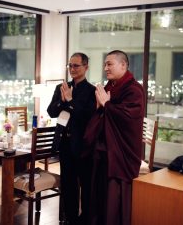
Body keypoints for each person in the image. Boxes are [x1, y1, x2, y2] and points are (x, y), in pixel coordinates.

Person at [83, 50, 145, 225]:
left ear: (123, 65)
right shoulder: (109, 86)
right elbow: (101, 113)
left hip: (120, 153)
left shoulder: (134, 89)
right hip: (103, 150)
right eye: (105, 64)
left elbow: (128, 117)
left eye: (109, 64)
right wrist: (100, 107)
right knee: (99, 196)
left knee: (114, 200)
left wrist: (107, 105)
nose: (105, 68)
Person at [47, 52, 96, 225]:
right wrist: (62, 100)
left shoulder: (92, 91)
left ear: (86, 67)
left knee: (85, 185)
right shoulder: (62, 87)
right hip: (65, 143)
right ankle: (70, 219)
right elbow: (51, 111)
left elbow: (87, 117)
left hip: (83, 145)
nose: (72, 69)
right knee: (68, 185)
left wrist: (70, 100)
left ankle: (86, 219)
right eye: (70, 65)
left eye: (76, 65)